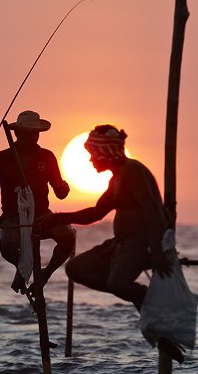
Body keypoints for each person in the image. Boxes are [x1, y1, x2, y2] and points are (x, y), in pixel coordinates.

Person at [36, 124, 172, 311]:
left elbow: (152, 209)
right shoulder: (116, 178)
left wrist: (157, 250)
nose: (91, 159)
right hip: (121, 243)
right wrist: (57, 218)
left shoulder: (131, 171)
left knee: (118, 284)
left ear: (105, 151)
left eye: (93, 153)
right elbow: (96, 213)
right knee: (76, 268)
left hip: (139, 242)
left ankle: (149, 300)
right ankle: (136, 295)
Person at [0, 110, 75, 291]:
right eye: (27, 133)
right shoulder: (1, 158)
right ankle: (22, 268)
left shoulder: (47, 157)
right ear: (17, 133)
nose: (32, 137)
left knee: (68, 236)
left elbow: (60, 192)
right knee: (7, 244)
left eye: (35, 134)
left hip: (41, 215)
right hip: (12, 216)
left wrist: (64, 188)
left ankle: (45, 274)